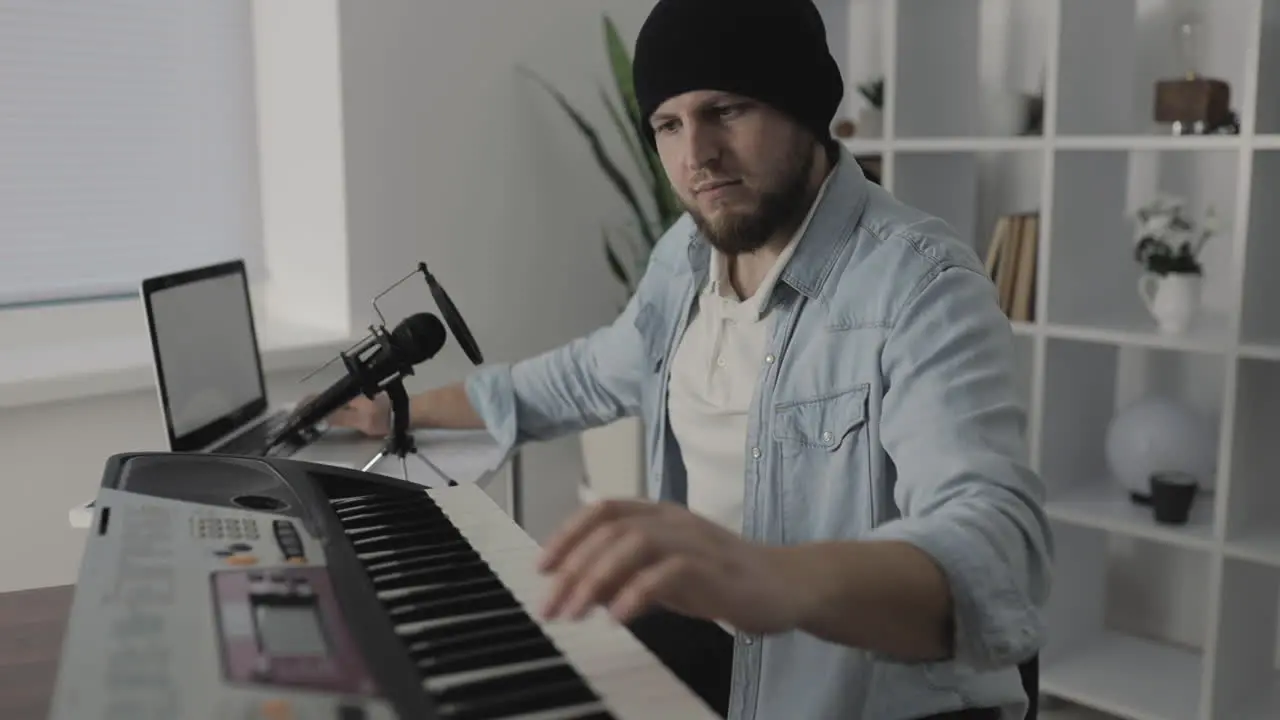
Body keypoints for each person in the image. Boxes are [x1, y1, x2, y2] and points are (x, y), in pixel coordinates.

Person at [329, 0, 1053, 718]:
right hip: (724, 649)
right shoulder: (686, 255)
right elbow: (588, 374)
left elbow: (997, 553)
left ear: (804, 107)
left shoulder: (921, 285)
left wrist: (769, 576)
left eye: (728, 110)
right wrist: (401, 409)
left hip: (869, 698)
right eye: (668, 125)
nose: (695, 156)